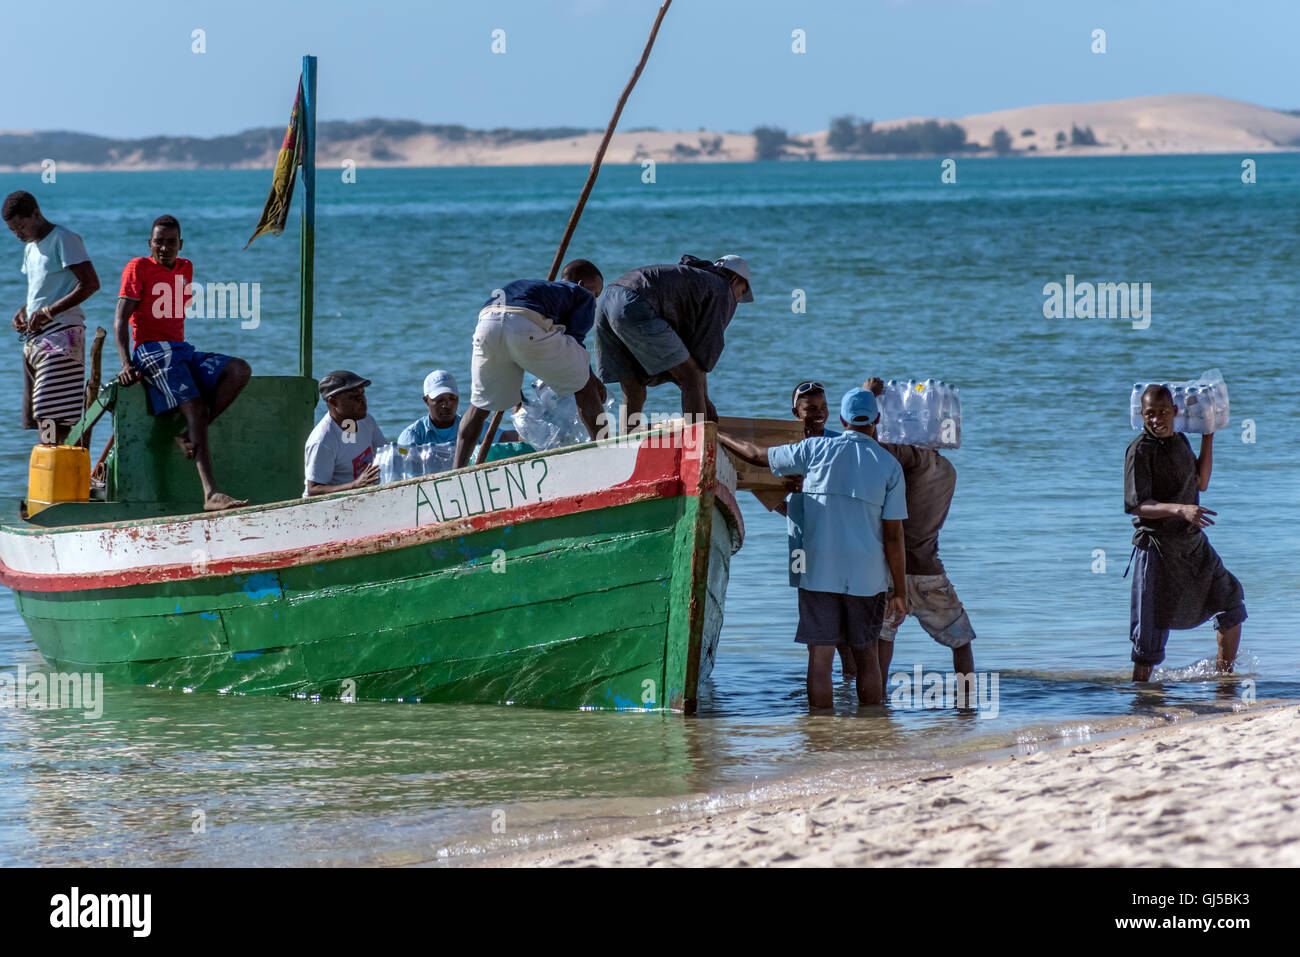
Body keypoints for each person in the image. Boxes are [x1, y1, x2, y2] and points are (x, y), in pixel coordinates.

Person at [719, 388, 908, 709]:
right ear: (876, 420)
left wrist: (718, 434)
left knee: (820, 657)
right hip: (867, 577)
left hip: (817, 571)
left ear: (842, 419)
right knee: (866, 655)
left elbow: (754, 454)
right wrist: (900, 591)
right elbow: (893, 537)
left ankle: (818, 736)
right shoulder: (890, 466)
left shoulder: (815, 449)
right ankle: (872, 731)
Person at [114, 215, 251, 511]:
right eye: (158, 242)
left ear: (181, 244)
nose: (164, 248)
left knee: (239, 370)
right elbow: (120, 320)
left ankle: (188, 434)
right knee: (196, 406)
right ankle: (211, 493)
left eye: (171, 242)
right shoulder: (138, 267)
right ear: (149, 244)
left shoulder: (186, 268)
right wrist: (126, 363)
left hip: (182, 350)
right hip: (151, 351)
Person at [1125, 384, 1246, 682]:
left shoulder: (1179, 441)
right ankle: (1140, 702)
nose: (1156, 419)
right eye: (1149, 414)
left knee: (1230, 603)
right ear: (1142, 414)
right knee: (1148, 639)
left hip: (1192, 544)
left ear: (1175, 412)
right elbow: (1136, 505)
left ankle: (1224, 680)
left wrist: (1208, 434)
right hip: (1156, 550)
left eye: (1162, 412)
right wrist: (1180, 510)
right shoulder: (1140, 450)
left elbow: (1201, 482)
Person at [864, 376, 976, 677]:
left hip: (893, 570)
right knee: (960, 640)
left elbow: (867, 443)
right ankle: (966, 709)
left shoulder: (913, 457)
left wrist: (868, 396)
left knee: (883, 640)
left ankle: (878, 708)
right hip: (929, 571)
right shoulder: (948, 470)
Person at [453, 260, 606, 469]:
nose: (594, 300)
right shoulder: (581, 295)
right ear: (580, 283)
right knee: (585, 385)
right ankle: (606, 457)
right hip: (523, 322)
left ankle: (457, 471)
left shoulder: (539, 288)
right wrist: (591, 378)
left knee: (479, 407)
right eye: (596, 293)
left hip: (486, 322)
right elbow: (575, 346)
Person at [592, 253, 752, 425]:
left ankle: (628, 445)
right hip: (635, 302)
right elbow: (702, 355)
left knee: (633, 387)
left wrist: (703, 396)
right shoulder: (722, 288)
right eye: (741, 292)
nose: (736, 299)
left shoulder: (695, 278)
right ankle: (697, 442)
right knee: (690, 377)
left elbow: (693, 352)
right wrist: (703, 398)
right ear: (735, 279)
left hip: (606, 301)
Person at [3, 191, 101, 445]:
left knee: (53, 413)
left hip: (62, 336)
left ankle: (58, 468)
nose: (18, 234)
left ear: (36, 213)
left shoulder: (64, 239)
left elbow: (89, 284)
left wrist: (47, 313)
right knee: (41, 416)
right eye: (13, 230)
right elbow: (41, 290)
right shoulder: (30, 249)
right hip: (34, 341)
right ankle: (53, 470)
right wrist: (23, 311)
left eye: (21, 226)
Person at [304, 370, 386, 496]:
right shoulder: (322, 441)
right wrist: (354, 485)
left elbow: (385, 453)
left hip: (361, 497)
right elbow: (313, 490)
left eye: (362, 394)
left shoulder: (366, 421)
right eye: (353, 397)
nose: (362, 401)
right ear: (332, 401)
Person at [399, 369, 518, 447]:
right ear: (426, 401)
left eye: (452, 398)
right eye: (440, 400)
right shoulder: (412, 436)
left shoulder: (472, 426)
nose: (447, 405)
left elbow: (505, 437)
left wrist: (531, 433)